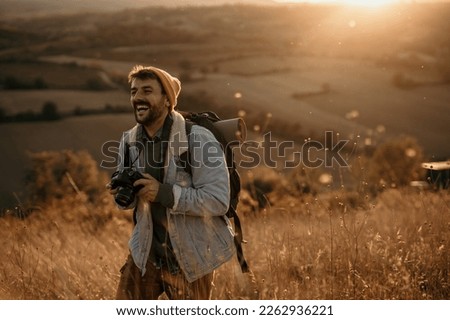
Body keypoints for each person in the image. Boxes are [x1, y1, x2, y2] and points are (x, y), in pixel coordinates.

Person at [108, 65, 235, 300]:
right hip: (145, 253)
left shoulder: (197, 138)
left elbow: (218, 201)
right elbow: (128, 203)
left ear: (167, 99)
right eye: (134, 92)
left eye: (147, 91)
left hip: (191, 258)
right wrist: (122, 194)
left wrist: (164, 193)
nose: (138, 98)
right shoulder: (128, 140)